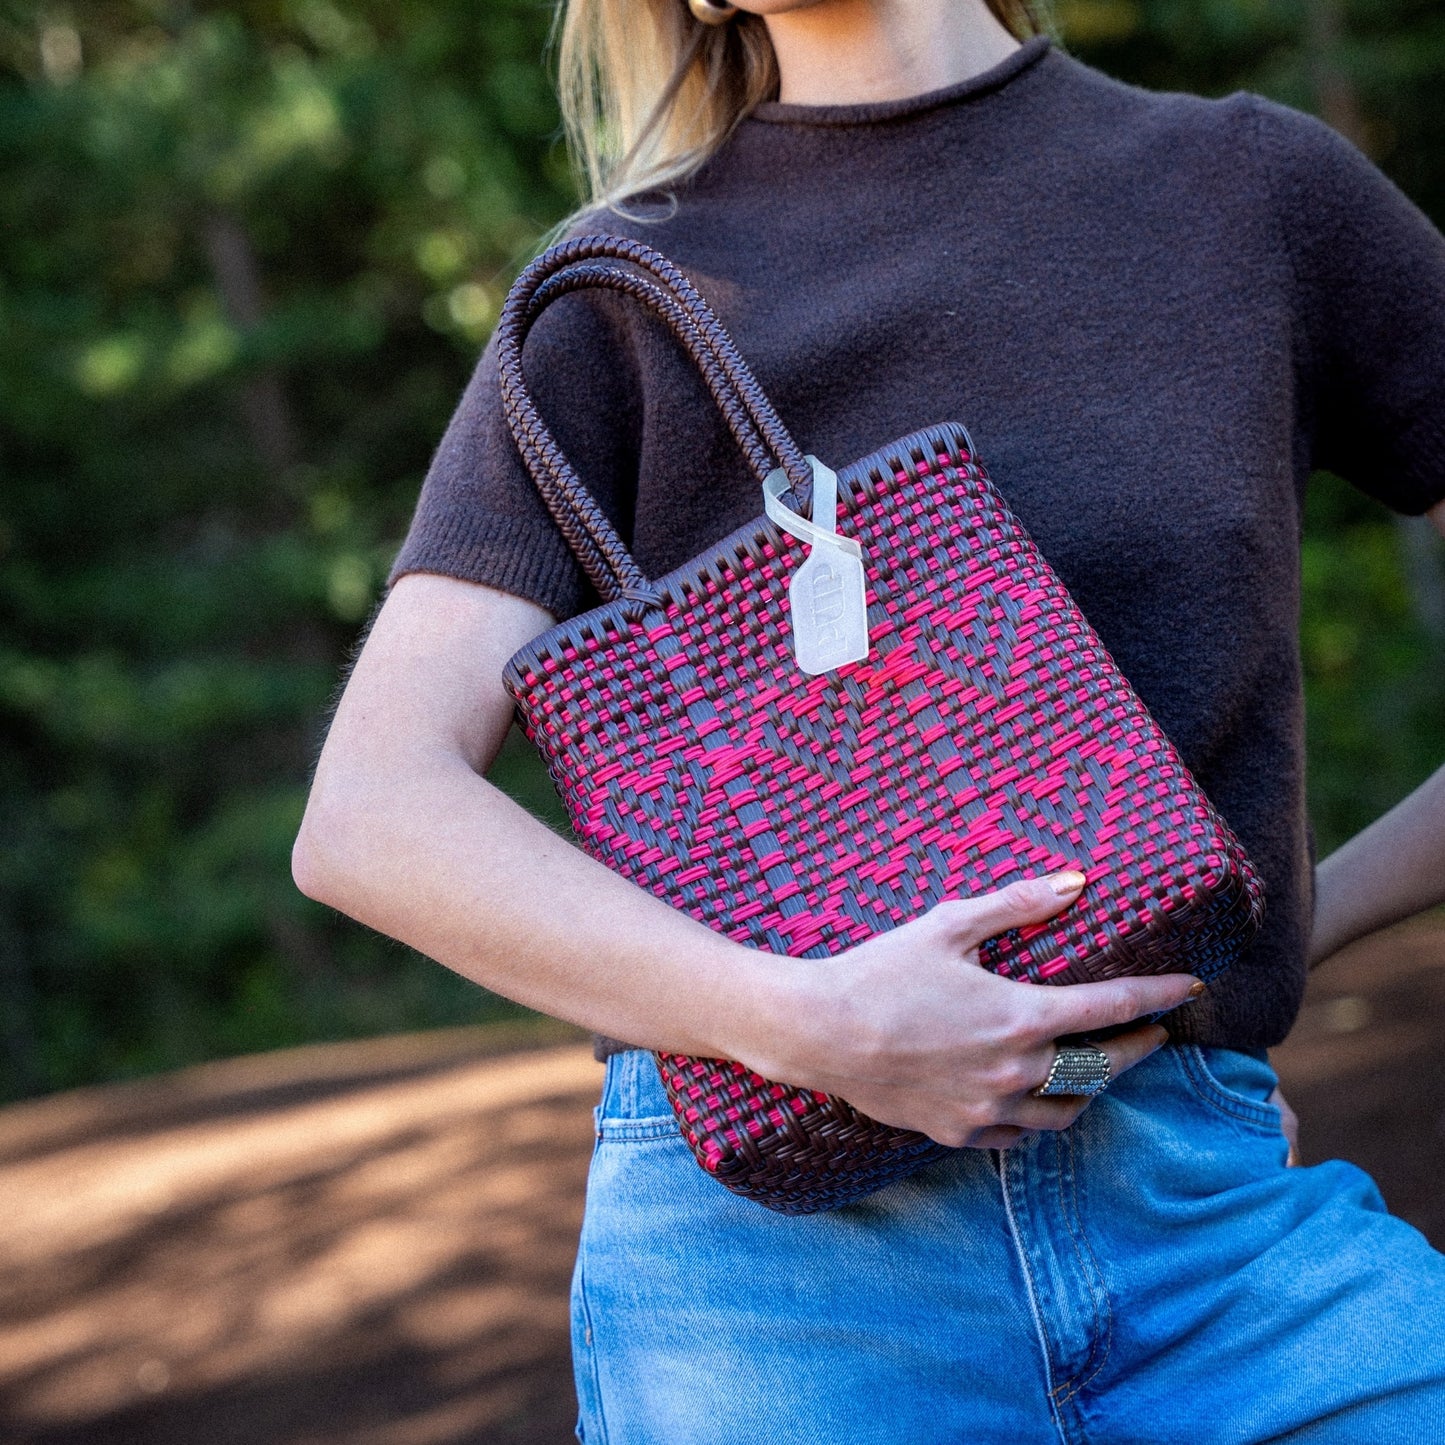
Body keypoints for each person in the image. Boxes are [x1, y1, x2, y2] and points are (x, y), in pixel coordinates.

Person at [293, 0, 1445, 1438]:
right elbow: (370, 815)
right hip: (783, 1286)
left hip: (1214, 1228)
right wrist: (811, 1021)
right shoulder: (620, 294)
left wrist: (1267, 924)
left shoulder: (1253, 194)